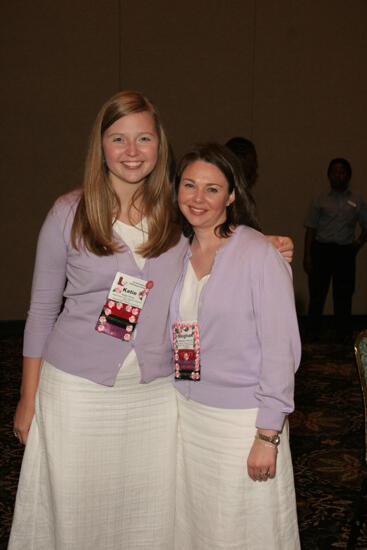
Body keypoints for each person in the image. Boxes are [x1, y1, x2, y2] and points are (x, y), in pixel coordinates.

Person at [9, 90, 187, 550]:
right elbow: (41, 311)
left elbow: (221, 248)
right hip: (79, 392)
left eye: (143, 138)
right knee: (77, 509)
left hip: (154, 394)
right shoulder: (69, 212)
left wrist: (265, 245)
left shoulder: (177, 215)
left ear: (159, 145)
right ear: (101, 146)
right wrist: (28, 400)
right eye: (119, 139)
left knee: (150, 511)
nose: (132, 152)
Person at [170, 143, 301, 550]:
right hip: (187, 417)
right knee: (199, 527)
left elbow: (281, 350)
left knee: (246, 531)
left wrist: (268, 434)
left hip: (242, 421)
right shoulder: (174, 251)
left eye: (212, 189)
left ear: (231, 196)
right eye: (189, 185)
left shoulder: (258, 253)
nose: (198, 198)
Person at [303, 158, 367, 341]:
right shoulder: (320, 200)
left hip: (345, 252)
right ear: (329, 175)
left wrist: (358, 243)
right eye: (334, 172)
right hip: (322, 250)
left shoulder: (357, 199)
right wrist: (307, 255)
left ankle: (343, 334)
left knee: (344, 294)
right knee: (317, 293)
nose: (338, 175)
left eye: (342, 172)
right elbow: (311, 228)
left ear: (348, 175)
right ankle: (312, 332)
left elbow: (366, 225)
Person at [226, 135, 294, 263]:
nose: (255, 167)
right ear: (240, 159)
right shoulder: (229, 197)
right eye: (253, 161)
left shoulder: (242, 195)